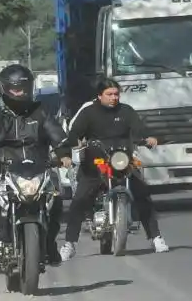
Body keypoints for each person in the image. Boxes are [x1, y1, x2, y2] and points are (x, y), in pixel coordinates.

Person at [0, 65, 71, 267]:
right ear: (4, 88)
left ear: (30, 87)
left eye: (23, 88)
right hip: (2, 169)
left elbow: (57, 136)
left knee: (56, 202)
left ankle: (49, 243)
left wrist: (64, 154)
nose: (19, 92)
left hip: (37, 168)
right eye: (14, 89)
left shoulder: (40, 112)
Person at [61, 78, 169, 260]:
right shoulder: (89, 113)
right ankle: (69, 244)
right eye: (109, 94)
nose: (113, 98)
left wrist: (149, 138)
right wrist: (72, 146)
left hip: (123, 161)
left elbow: (140, 129)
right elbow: (73, 135)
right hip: (95, 163)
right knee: (79, 201)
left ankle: (156, 237)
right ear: (99, 95)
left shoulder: (126, 111)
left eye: (116, 94)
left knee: (143, 195)